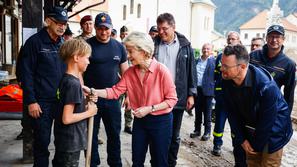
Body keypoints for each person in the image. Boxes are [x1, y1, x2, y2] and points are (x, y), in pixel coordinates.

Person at [84, 31, 178, 167]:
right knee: (137, 161)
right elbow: (115, 91)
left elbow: (172, 99)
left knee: (159, 162)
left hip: (161, 122)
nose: (127, 56)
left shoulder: (161, 70)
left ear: (143, 51)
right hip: (140, 121)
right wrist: (93, 91)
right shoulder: (130, 72)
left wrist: (150, 108)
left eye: (130, 51)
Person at [221, 44, 293, 167]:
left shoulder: (266, 87)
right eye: (222, 64)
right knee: (252, 163)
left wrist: (255, 146)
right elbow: (231, 112)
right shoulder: (226, 80)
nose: (221, 69)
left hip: (274, 132)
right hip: (252, 129)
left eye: (226, 66)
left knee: (268, 164)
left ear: (242, 66)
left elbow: (267, 122)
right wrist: (242, 139)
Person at [21, 6, 68, 166]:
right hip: (41, 103)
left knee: (62, 144)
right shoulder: (34, 43)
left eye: (65, 23)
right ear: (48, 21)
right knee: (41, 145)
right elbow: (25, 74)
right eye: (58, 22)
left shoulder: (63, 43)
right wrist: (31, 101)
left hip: (61, 102)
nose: (62, 26)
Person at [83, 12, 129, 167]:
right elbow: (79, 71)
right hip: (92, 99)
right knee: (91, 135)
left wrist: (128, 94)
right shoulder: (87, 45)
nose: (104, 32)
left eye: (106, 28)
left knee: (114, 135)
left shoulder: (119, 47)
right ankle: (92, 163)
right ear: (95, 28)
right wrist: (84, 93)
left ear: (111, 28)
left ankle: (115, 163)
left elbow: (126, 73)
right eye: (100, 28)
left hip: (113, 99)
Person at [153, 13, 197, 167]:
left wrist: (191, 95)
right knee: (157, 133)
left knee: (174, 135)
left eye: (165, 28)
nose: (161, 32)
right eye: (159, 29)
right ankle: (157, 161)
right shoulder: (154, 44)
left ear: (173, 27)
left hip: (177, 97)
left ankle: (171, 162)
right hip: (156, 97)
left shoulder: (185, 45)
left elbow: (192, 70)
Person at [52, 39, 98, 167]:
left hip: (64, 140)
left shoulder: (66, 79)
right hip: (70, 141)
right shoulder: (73, 84)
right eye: (87, 58)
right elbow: (67, 118)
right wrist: (89, 112)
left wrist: (85, 100)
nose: (89, 61)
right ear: (77, 57)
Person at [212, 31, 247, 165]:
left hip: (236, 97)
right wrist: (217, 90)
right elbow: (216, 74)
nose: (230, 41)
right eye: (229, 38)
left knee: (236, 124)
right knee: (219, 122)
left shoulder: (242, 58)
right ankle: (217, 144)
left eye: (233, 39)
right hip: (222, 95)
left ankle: (236, 145)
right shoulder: (221, 56)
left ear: (238, 41)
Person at [250, 25, 296, 113]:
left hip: (269, 107)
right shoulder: (253, 56)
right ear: (266, 38)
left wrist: (286, 117)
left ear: (283, 39)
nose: (274, 40)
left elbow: (289, 94)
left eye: (278, 37)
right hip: (249, 103)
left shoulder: (289, 64)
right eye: (271, 36)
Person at [190, 43, 215, 141]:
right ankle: (197, 130)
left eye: (208, 49)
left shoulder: (214, 61)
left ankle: (207, 132)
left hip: (208, 91)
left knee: (207, 113)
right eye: (204, 48)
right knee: (198, 111)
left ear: (211, 50)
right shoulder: (196, 61)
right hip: (197, 90)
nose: (205, 50)